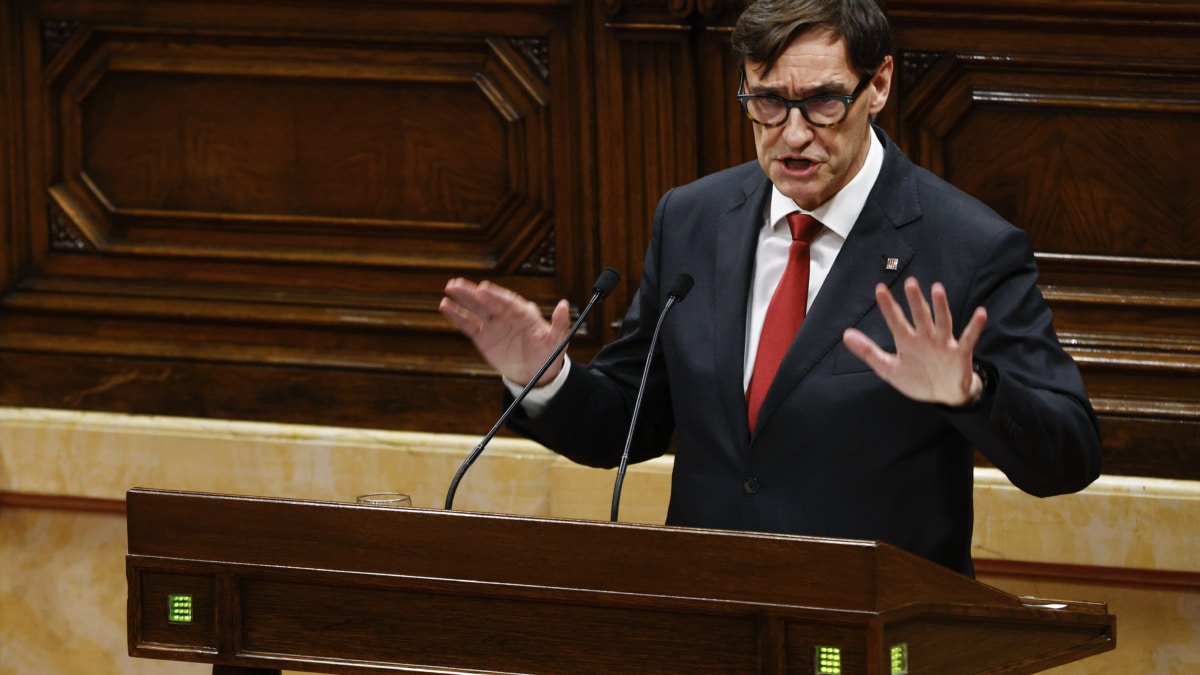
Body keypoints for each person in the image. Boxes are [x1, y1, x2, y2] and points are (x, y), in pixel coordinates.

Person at [439, 0, 1101, 577]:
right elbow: (629, 424)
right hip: (712, 625)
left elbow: (1067, 456)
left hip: (870, 632)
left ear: (880, 85)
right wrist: (545, 378)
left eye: (822, 101)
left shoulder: (965, 246)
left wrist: (973, 390)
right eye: (766, 102)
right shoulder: (692, 218)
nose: (792, 134)